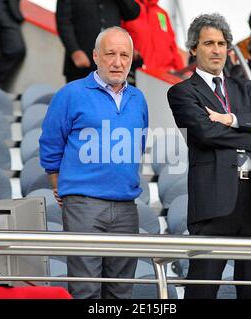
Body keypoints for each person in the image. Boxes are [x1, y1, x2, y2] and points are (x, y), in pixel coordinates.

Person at [167, 13, 251, 299]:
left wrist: (230, 119)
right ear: (193, 48)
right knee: (203, 290)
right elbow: (206, 134)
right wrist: (250, 128)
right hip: (213, 200)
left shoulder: (244, 87)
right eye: (208, 43)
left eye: (222, 43)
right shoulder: (182, 92)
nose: (217, 50)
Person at [39, 27, 148, 299]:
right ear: (96, 56)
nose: (118, 61)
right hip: (83, 205)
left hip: (126, 206)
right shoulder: (71, 94)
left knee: (122, 292)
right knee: (85, 290)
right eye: (110, 54)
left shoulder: (138, 99)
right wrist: (60, 186)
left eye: (125, 54)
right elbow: (51, 145)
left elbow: (138, 145)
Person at [56, 0, 140, 83]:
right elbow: (63, 22)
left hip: (112, 66)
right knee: (79, 95)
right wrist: (74, 51)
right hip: (81, 65)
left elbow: (133, 12)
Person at [122, 0, 185, 72]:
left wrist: (182, 73)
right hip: (140, 75)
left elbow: (173, 48)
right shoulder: (127, 9)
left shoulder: (162, 14)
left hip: (166, 75)